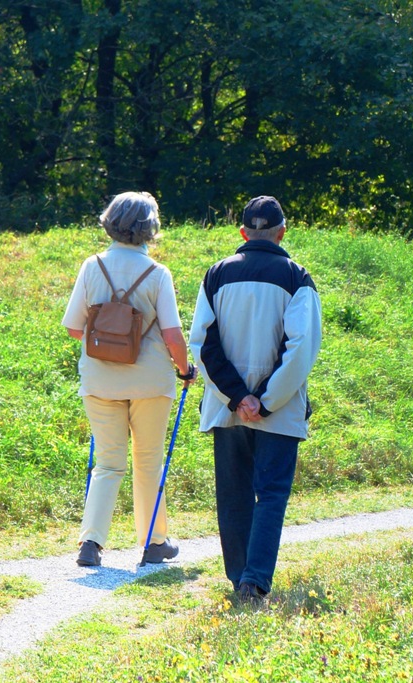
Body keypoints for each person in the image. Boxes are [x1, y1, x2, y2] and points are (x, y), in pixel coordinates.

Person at [188, 195, 322, 603]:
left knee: (233, 493)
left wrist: (238, 397)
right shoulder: (297, 278)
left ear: (243, 233)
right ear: (283, 231)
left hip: (227, 408)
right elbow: (301, 349)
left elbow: (202, 344)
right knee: (272, 493)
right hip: (277, 413)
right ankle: (255, 580)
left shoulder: (216, 274)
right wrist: (264, 401)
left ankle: (238, 577)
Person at [62, 191, 195, 567]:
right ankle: (154, 542)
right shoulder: (157, 274)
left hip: (100, 380)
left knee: (107, 463)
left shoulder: (92, 266)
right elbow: (172, 335)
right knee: (148, 460)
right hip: (150, 381)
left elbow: (74, 328)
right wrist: (185, 370)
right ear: (149, 229)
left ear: (110, 222)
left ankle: (91, 544)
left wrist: (110, 333)